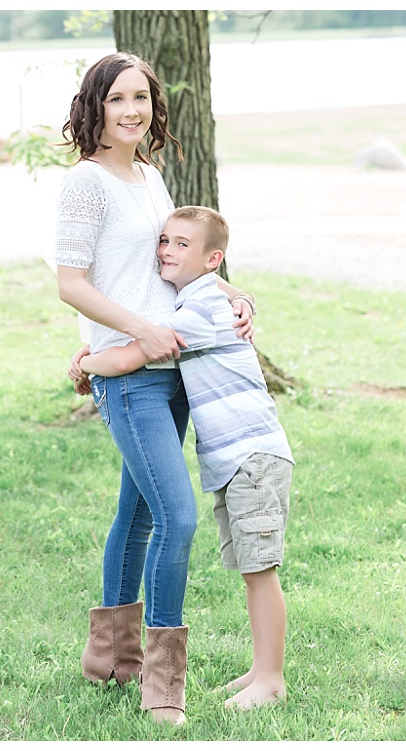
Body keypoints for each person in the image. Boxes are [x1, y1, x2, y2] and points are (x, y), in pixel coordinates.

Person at [53, 52, 255, 725]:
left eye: (141, 98)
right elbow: (72, 282)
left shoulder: (148, 175)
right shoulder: (86, 184)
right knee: (180, 515)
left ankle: (110, 660)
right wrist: (139, 331)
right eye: (117, 100)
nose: (132, 111)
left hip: (176, 374)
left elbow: (173, 265)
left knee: (138, 516)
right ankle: (163, 683)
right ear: (95, 107)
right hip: (132, 374)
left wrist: (230, 292)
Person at [69, 206, 292, 711]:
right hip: (239, 457)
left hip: (251, 454)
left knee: (260, 570)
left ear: (212, 259)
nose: (166, 251)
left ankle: (271, 678)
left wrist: (86, 362)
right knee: (249, 565)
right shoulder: (198, 299)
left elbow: (130, 356)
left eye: (181, 245)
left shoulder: (199, 311)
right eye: (164, 241)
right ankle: (259, 669)